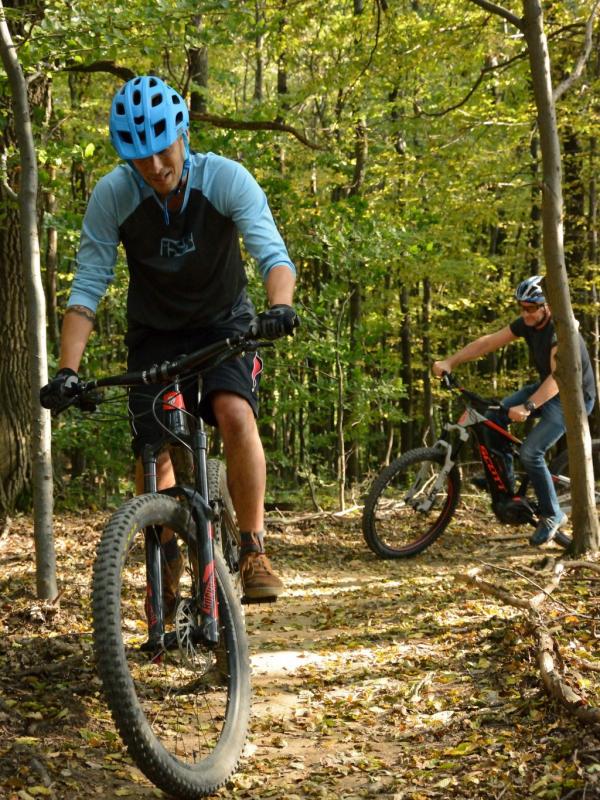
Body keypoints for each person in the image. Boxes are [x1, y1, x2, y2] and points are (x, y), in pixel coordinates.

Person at [40, 75, 299, 604]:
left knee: (233, 410)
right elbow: (88, 287)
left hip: (226, 324)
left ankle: (253, 550)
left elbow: (273, 255)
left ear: (181, 134)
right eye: (141, 158)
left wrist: (279, 308)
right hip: (155, 334)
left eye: (163, 151)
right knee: (151, 448)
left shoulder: (225, 179)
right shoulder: (114, 195)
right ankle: (166, 562)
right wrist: (68, 370)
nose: (156, 167)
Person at [432, 275, 596, 546]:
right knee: (491, 418)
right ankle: (504, 485)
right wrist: (451, 361)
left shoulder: (560, 333)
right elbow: (488, 343)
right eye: (522, 307)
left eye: (531, 308)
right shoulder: (528, 323)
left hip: (572, 395)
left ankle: (552, 514)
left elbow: (559, 379)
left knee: (532, 452)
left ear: (548, 306)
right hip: (545, 385)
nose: (526, 313)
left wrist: (529, 406)